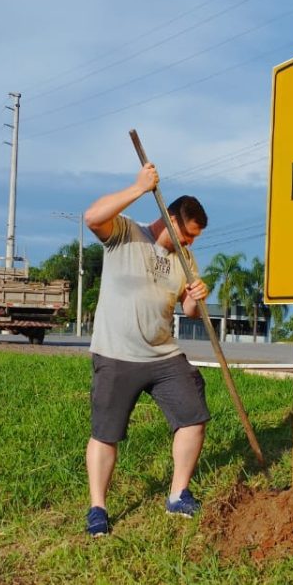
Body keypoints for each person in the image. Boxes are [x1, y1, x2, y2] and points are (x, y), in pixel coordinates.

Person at [82, 161, 211, 537]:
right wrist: (138, 187)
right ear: (169, 219)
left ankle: (178, 495)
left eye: (193, 240)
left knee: (194, 416)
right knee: (106, 432)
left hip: (163, 354)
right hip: (117, 352)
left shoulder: (185, 259)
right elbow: (92, 217)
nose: (189, 244)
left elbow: (187, 310)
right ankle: (98, 510)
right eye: (186, 236)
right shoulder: (126, 232)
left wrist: (197, 297)